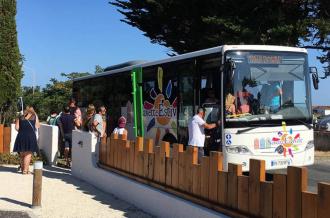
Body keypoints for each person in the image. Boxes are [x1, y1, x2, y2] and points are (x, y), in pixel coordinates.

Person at [13, 106, 40, 174]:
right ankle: (25, 170)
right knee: (28, 154)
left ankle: (23, 169)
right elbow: (38, 126)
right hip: (30, 137)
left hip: (21, 136)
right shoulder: (34, 116)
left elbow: (16, 127)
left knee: (22, 154)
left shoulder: (20, 117)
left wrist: (23, 131)